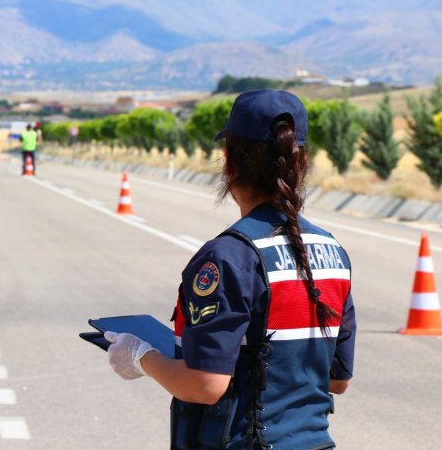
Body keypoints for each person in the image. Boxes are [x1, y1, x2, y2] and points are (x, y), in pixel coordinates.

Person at [104, 90, 356, 450]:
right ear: (301, 163)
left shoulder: (227, 258)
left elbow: (206, 385)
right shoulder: (333, 252)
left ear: (229, 162)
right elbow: (337, 379)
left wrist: (140, 356)